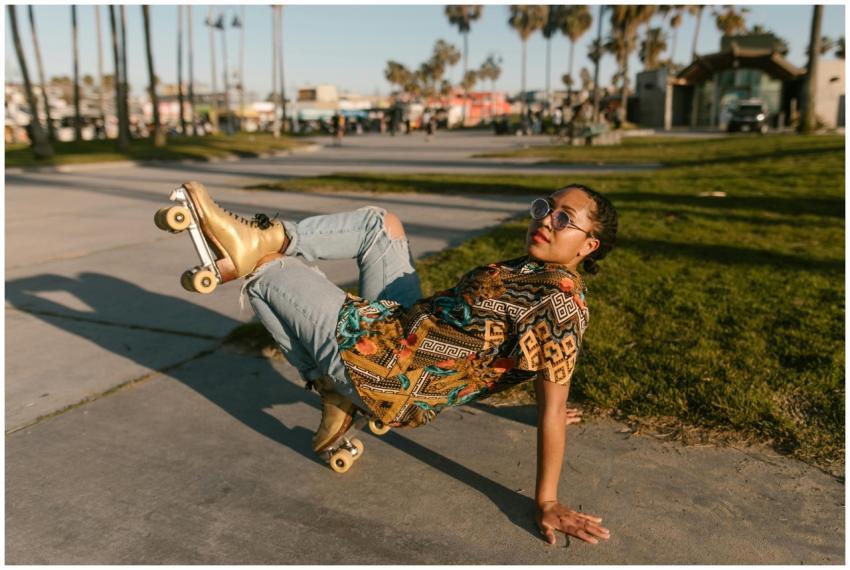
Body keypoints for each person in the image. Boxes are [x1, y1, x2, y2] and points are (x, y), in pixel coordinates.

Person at [174, 181, 618, 546]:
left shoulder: (559, 305)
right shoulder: (533, 270)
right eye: (545, 207)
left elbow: (553, 398)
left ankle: (327, 373)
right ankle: (270, 249)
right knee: (379, 224)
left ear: (589, 245)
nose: (545, 219)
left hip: (384, 369)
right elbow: (510, 362)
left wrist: (546, 502)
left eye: (563, 218)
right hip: (399, 327)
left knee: (267, 272)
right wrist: (525, 408)